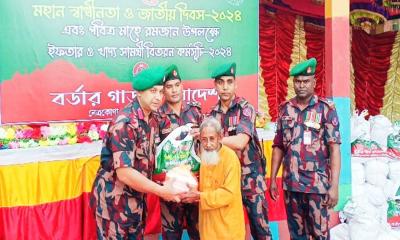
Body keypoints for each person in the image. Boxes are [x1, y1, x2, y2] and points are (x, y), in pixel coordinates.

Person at [90, 66, 180, 239]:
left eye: (161, 92)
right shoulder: (125, 123)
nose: (158, 97)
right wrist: (162, 191)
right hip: (113, 206)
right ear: (139, 93)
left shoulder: (152, 119)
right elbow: (125, 174)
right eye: (153, 91)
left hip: (136, 203)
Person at [269, 58, 341, 240]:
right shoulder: (285, 109)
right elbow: (278, 146)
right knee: (296, 235)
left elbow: (334, 150)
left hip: (316, 187)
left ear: (314, 82)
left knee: (320, 234)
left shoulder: (326, 109)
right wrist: (272, 179)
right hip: (291, 185)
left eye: (306, 81)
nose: (301, 85)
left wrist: (334, 187)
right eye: (298, 81)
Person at [209, 62, 272, 239]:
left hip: (250, 179)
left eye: (229, 82)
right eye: (220, 82)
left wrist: (210, 139)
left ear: (235, 84)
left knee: (260, 230)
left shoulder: (246, 108)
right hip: (226, 181)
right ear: (215, 85)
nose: (225, 87)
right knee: (229, 230)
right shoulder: (212, 115)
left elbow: (240, 141)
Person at [180, 117, 245, 240]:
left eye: (212, 139)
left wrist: (199, 196)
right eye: (204, 140)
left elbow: (228, 194)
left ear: (220, 137)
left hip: (227, 229)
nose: (208, 144)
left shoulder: (230, 158)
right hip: (208, 228)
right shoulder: (206, 156)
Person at [157, 64, 202, 240]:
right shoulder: (158, 116)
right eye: (169, 87)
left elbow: (204, 145)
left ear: (182, 85)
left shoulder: (195, 111)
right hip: (170, 186)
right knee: (171, 234)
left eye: (177, 85)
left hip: (194, 183)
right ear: (163, 91)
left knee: (198, 231)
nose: (174, 90)